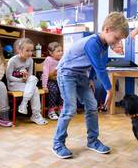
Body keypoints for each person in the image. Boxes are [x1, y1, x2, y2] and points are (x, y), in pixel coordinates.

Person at [52, 12, 129, 159]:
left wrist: (91, 79)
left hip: (81, 75)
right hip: (67, 74)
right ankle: (57, 143)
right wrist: (109, 89)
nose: (117, 42)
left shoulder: (103, 44)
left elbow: (95, 64)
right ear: (107, 29)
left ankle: (92, 141)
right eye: (117, 38)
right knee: (70, 109)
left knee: (92, 106)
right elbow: (100, 68)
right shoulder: (92, 42)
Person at [7, 38, 47, 125]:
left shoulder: (30, 60)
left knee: (33, 79)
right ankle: (35, 114)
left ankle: (24, 105)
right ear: (19, 50)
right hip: (13, 84)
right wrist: (20, 79)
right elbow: (9, 77)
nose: (30, 53)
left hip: (25, 84)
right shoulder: (13, 60)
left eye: (31, 50)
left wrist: (26, 77)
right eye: (27, 50)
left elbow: (30, 76)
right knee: (35, 90)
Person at [41, 42, 64, 120]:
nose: (61, 52)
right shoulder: (48, 59)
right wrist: (44, 86)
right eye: (58, 51)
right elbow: (45, 73)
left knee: (64, 89)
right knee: (54, 90)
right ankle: (51, 110)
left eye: (61, 50)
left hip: (59, 80)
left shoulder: (62, 60)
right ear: (51, 53)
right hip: (49, 81)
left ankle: (61, 109)